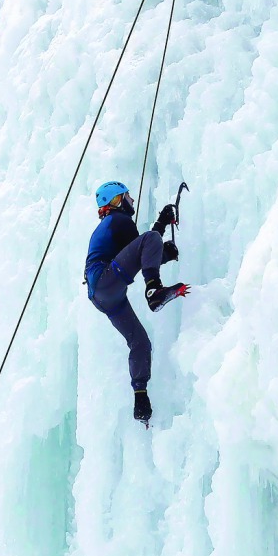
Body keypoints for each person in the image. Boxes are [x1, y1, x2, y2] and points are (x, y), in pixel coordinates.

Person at [85, 180, 187, 423]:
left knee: (139, 342)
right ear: (116, 200)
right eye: (127, 196)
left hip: (103, 296)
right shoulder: (118, 220)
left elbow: (140, 253)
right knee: (152, 237)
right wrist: (162, 225)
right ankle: (153, 291)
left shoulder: (110, 226)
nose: (132, 200)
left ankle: (140, 397)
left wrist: (164, 253)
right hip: (106, 280)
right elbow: (146, 244)